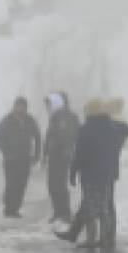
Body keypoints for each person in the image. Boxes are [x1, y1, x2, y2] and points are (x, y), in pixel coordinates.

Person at [59, 99, 128, 249]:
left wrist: (73, 171)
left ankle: (90, 239)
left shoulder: (86, 129)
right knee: (105, 207)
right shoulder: (112, 127)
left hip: (90, 174)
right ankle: (105, 239)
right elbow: (124, 131)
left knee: (90, 207)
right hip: (107, 173)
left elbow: (80, 153)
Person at [0, 96, 42, 218]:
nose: (21, 109)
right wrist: (6, 151)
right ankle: (9, 209)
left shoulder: (30, 120)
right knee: (11, 183)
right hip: (11, 159)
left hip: (25, 158)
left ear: (26, 108)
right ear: (14, 106)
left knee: (22, 184)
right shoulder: (7, 120)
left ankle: (15, 208)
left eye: (23, 107)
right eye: (18, 106)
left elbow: (37, 137)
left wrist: (36, 155)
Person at [42, 91, 80, 224]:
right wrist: (45, 153)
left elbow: (70, 135)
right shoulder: (56, 116)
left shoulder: (67, 117)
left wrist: (66, 148)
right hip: (54, 155)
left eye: (49, 104)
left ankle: (65, 213)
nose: (47, 107)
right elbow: (50, 136)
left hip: (62, 155)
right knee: (53, 184)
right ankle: (58, 211)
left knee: (59, 184)